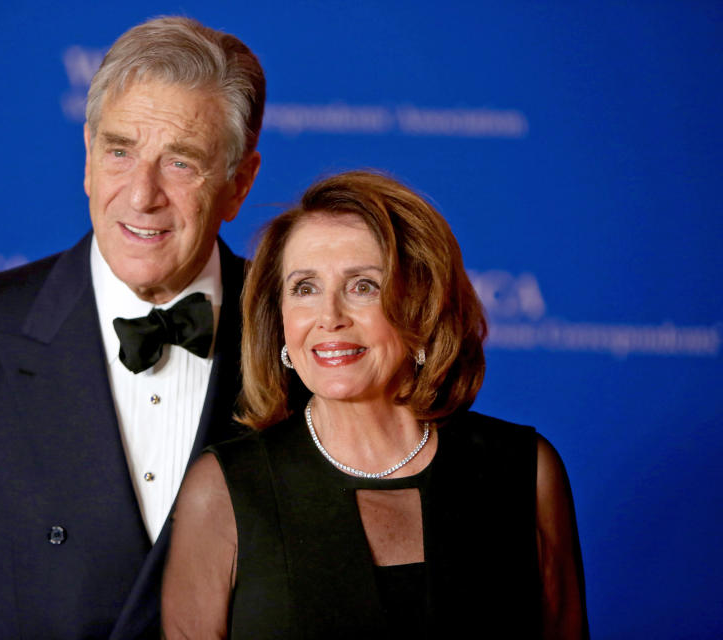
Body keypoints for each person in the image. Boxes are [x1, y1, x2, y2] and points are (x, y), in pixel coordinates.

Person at [0, 17, 263, 639]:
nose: (142, 195)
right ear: (87, 157)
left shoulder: (293, 338)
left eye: (181, 163)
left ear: (238, 185)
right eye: (119, 151)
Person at [162, 171, 588, 638]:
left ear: (423, 304)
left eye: (363, 286)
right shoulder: (224, 487)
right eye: (305, 288)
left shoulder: (523, 470)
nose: (329, 318)